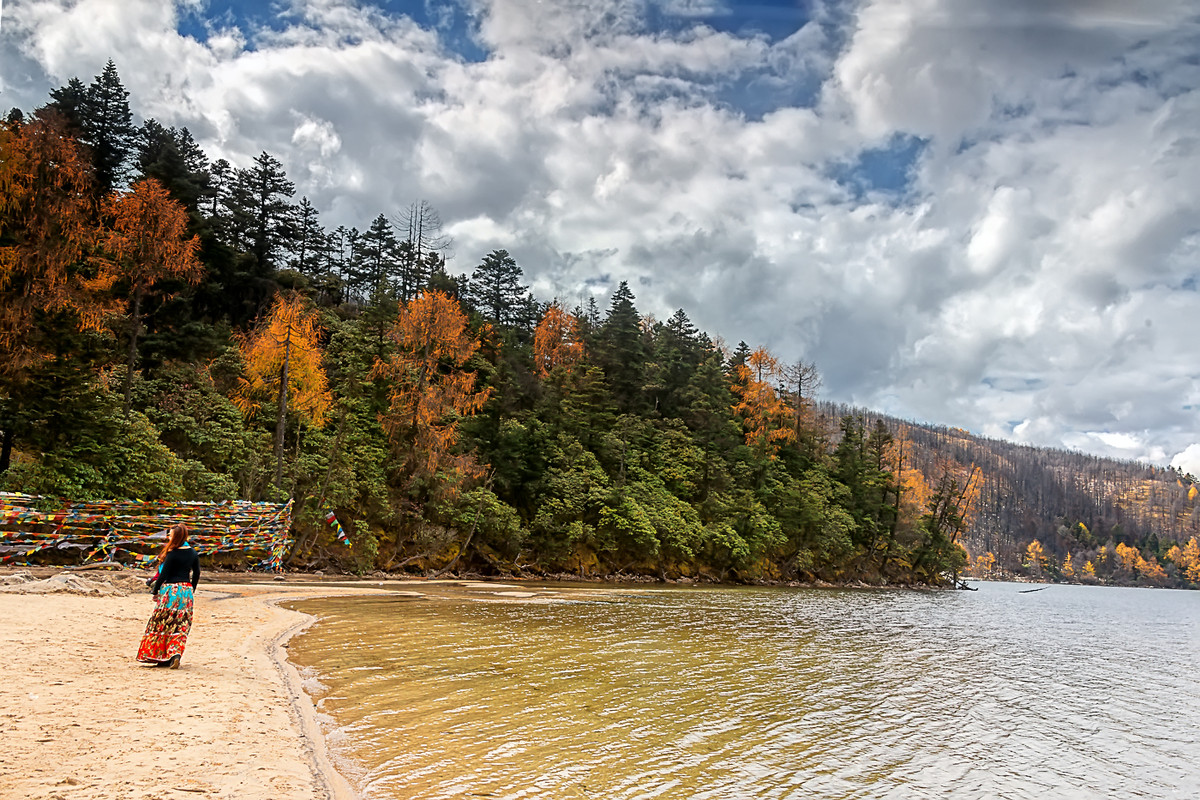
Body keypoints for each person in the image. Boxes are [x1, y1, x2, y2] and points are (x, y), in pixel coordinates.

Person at [136, 523, 200, 668]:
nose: (168, 537)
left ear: (175, 537)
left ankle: (161, 656)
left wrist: (155, 591)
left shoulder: (172, 554)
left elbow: (164, 575)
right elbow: (196, 573)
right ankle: (175, 654)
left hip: (170, 590)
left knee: (162, 623)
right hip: (186, 592)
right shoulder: (193, 553)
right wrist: (192, 589)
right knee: (181, 624)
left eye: (170, 535)